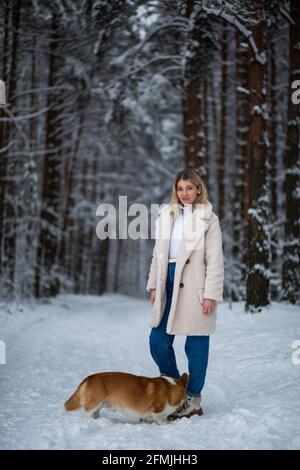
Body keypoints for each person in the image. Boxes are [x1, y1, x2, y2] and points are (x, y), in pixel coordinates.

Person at [146, 168, 224, 419]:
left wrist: (211, 293)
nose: (184, 193)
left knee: (196, 342)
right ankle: (175, 388)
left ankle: (192, 398)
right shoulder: (166, 216)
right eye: (180, 188)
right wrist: (155, 286)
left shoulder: (209, 219)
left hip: (195, 283)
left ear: (199, 189)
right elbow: (158, 255)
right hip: (167, 281)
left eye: (189, 187)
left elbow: (215, 259)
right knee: (157, 341)